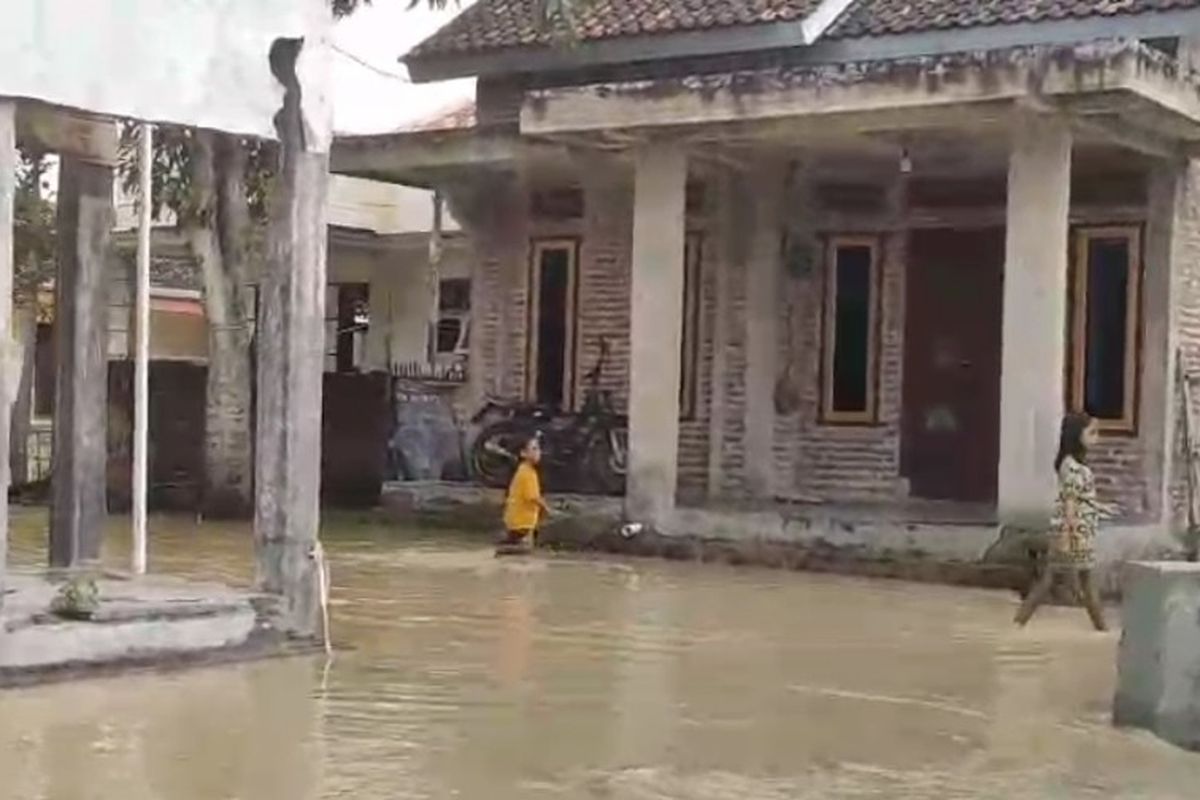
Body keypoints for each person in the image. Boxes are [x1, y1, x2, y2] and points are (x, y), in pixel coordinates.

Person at [1014, 413, 1108, 631]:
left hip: (1077, 531)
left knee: (1059, 579)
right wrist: (1068, 534)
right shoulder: (1073, 467)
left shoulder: (1073, 464)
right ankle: (1101, 628)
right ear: (1077, 436)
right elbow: (1070, 502)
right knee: (1068, 580)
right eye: (1092, 432)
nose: (1097, 438)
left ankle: (1019, 622)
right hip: (1074, 533)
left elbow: (1080, 499)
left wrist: (1100, 508)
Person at [499, 435, 550, 554]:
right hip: (522, 523)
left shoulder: (523, 470)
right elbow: (533, 497)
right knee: (524, 555)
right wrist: (547, 509)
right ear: (523, 453)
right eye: (534, 449)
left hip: (515, 521)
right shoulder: (527, 473)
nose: (538, 452)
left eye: (538, 449)